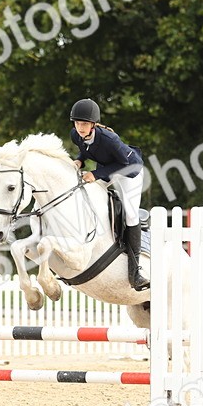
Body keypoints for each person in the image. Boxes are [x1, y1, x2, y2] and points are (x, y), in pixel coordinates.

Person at [68, 98, 149, 291]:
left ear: (93, 124)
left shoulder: (109, 140)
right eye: (77, 123)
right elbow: (86, 150)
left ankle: (135, 271)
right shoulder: (76, 135)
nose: (80, 127)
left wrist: (95, 174)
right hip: (109, 168)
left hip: (130, 171)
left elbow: (124, 164)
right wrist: (79, 160)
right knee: (88, 194)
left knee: (131, 214)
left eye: (84, 124)